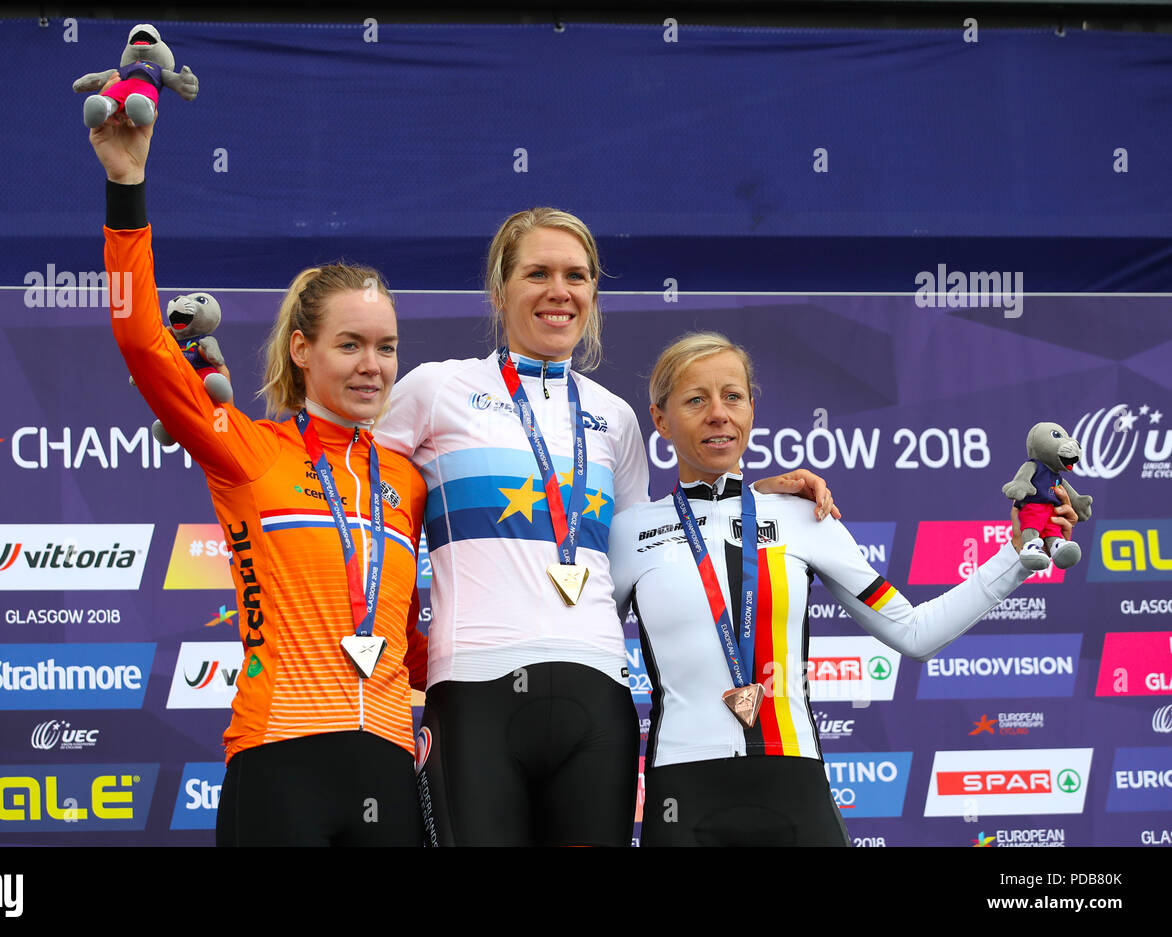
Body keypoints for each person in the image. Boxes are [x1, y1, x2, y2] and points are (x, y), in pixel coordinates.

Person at [374, 211, 836, 846]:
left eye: (576, 275)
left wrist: (751, 500)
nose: (559, 291)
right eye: (537, 273)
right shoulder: (435, 390)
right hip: (475, 690)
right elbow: (350, 492)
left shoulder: (614, 419)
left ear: (593, 293)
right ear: (500, 290)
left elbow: (653, 546)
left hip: (597, 694)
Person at [90, 92, 428, 846]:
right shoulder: (246, 449)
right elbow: (143, 342)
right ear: (303, 350)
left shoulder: (407, 476)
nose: (373, 366)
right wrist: (126, 186)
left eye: (387, 346)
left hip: (391, 769)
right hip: (280, 760)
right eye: (351, 344)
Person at [609, 331, 1078, 846]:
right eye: (696, 399)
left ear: (750, 410)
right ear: (660, 420)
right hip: (684, 788)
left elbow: (915, 632)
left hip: (795, 784)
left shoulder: (805, 516)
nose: (719, 413)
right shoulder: (629, 531)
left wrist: (1014, 557)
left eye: (733, 396)